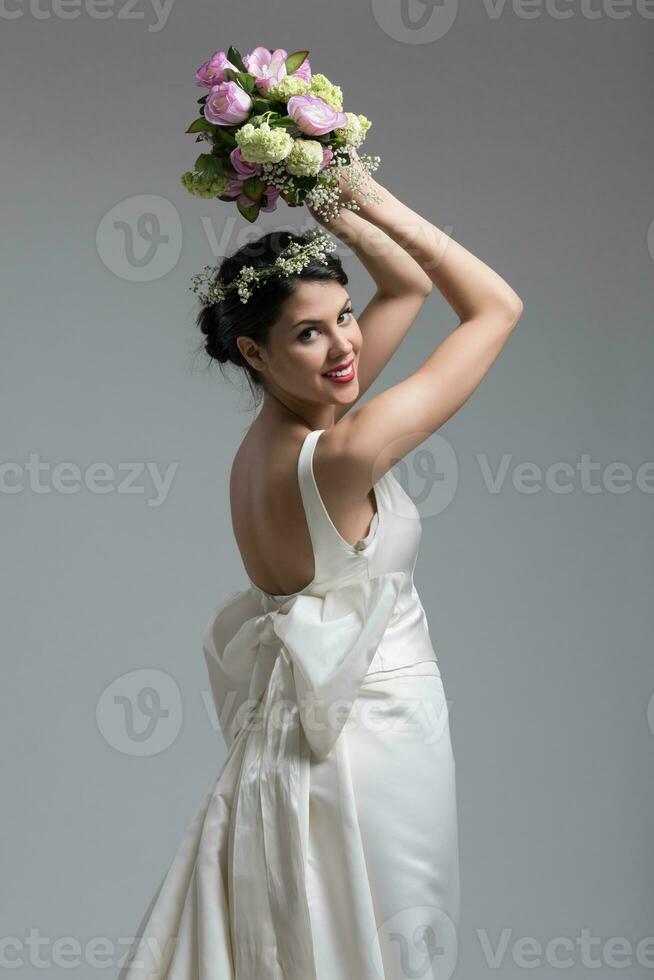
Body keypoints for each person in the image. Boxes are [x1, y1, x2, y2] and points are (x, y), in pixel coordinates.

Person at [118, 161, 523, 980]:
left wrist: (322, 193)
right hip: (374, 741)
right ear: (253, 352)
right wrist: (366, 193)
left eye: (345, 317)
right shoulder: (346, 450)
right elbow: (497, 307)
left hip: (288, 742)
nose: (346, 345)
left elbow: (403, 287)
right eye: (310, 333)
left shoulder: (265, 448)